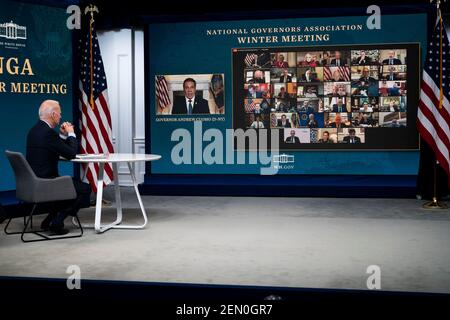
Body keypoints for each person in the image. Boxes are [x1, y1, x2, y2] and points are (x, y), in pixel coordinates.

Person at [26, 100, 91, 235]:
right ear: (54, 114)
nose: (61, 117)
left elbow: (56, 147)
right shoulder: (48, 133)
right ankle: (57, 221)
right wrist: (71, 133)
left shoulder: (34, 130)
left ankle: (48, 220)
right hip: (47, 182)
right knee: (85, 189)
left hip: (33, 182)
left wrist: (62, 135)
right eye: (59, 114)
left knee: (70, 186)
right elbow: (71, 153)